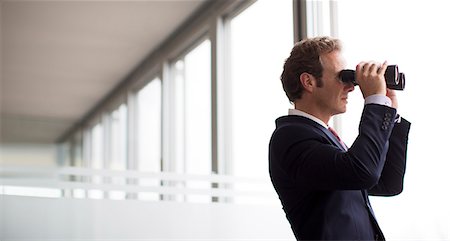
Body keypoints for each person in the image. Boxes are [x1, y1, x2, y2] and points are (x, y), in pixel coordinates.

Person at [268, 36, 411, 241]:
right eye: (342, 77)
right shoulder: (290, 137)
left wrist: (389, 110)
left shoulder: (325, 139)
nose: (351, 87)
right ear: (308, 82)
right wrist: (375, 103)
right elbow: (363, 171)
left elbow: (388, 183)